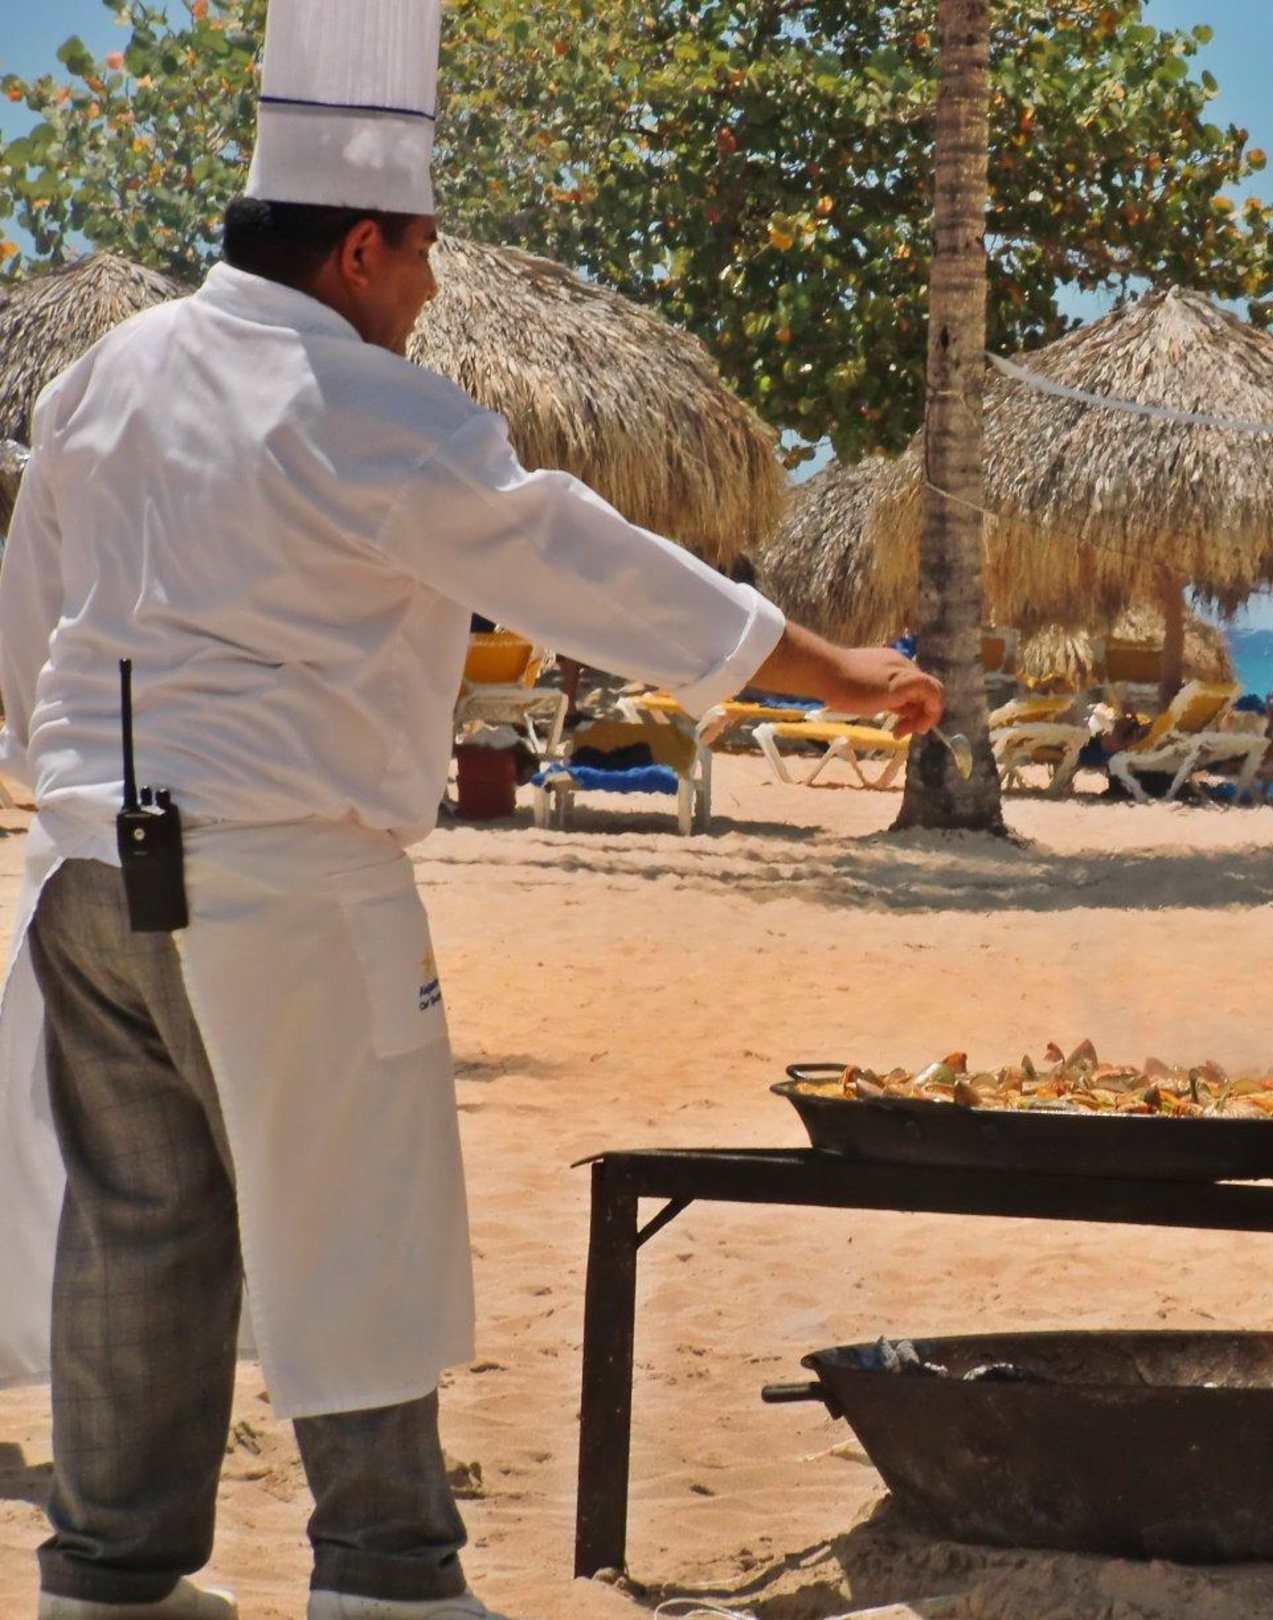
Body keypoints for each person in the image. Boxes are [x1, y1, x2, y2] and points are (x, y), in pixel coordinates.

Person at [0, 3, 940, 1618]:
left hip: (85, 867)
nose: (430, 292)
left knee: (138, 1228)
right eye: (423, 254)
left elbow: (33, 623)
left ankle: (112, 1578)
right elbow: (589, 565)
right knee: (351, 1215)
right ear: (360, 246)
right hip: (280, 879)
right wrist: (830, 672)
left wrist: (74, 780)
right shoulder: (373, 412)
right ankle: (385, 1576)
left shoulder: (105, 375)